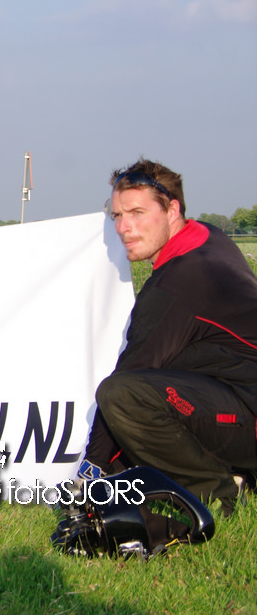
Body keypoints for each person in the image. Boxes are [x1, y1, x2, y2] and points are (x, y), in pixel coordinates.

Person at [80, 158, 257, 512]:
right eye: (117, 215)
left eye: (137, 213)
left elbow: (128, 381)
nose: (124, 227)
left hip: (247, 416)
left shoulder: (175, 286)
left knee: (121, 395)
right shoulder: (207, 237)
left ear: (172, 210)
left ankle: (219, 493)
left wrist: (91, 469)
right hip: (234, 395)